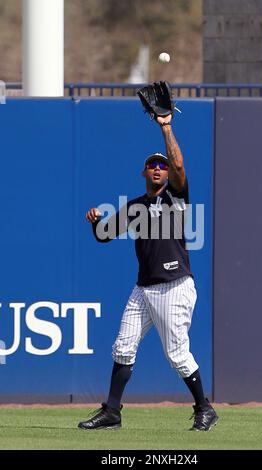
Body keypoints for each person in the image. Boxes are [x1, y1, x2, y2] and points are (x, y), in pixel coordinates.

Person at [78, 112, 218, 432]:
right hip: (144, 288)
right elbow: (105, 235)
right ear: (144, 171)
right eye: (153, 165)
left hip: (174, 284)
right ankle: (112, 411)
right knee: (123, 346)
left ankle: (205, 408)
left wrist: (166, 127)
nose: (158, 168)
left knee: (177, 355)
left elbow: (180, 166)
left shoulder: (176, 197)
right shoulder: (136, 206)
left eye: (162, 165)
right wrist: (97, 222)